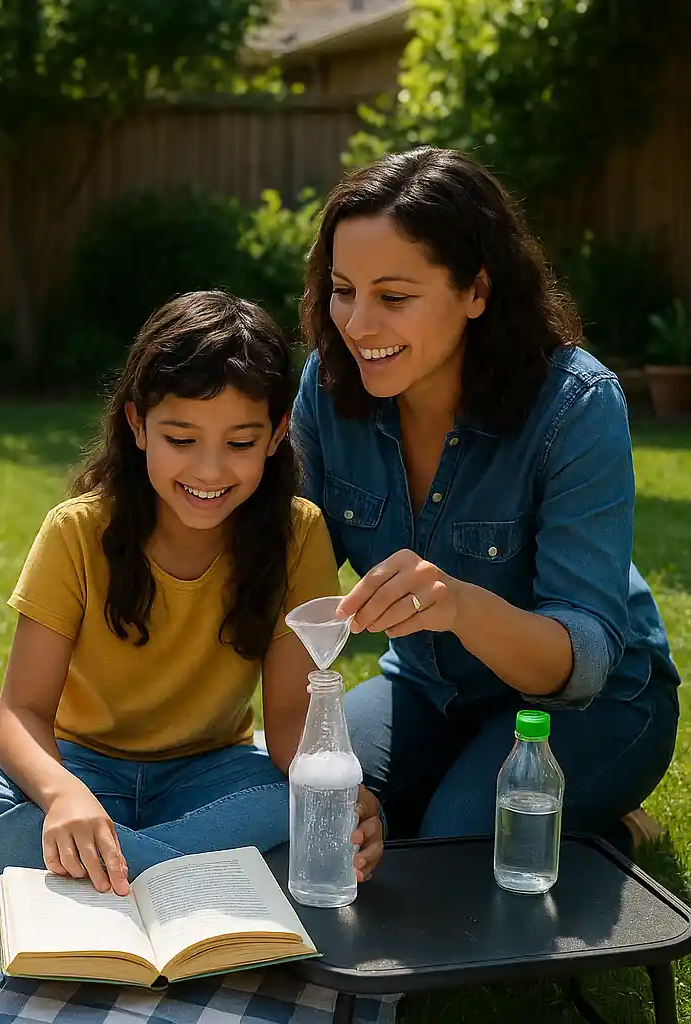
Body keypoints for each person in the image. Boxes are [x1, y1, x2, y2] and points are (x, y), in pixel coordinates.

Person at [0, 291, 385, 897]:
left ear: (276, 436)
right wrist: (64, 797)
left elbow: (291, 720)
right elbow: (19, 715)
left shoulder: (299, 534)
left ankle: (113, 863)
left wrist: (338, 799)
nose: (210, 470)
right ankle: (172, 869)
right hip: (83, 768)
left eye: (240, 443)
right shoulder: (77, 531)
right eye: (181, 439)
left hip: (210, 774)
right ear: (138, 425)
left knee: (305, 810)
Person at [291, 146, 681, 845]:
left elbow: (583, 660)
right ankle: (506, 798)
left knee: (454, 842)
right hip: (426, 690)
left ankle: (597, 826)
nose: (355, 325)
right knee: (314, 810)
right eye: (342, 289)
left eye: (394, 297)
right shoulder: (328, 388)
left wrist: (459, 604)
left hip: (593, 703)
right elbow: (284, 571)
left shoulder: (575, 405)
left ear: (476, 290)